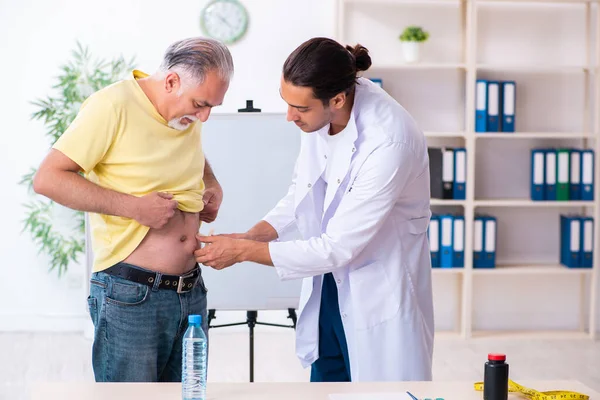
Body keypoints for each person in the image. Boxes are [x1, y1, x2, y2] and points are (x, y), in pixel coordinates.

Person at [194, 37, 435, 382]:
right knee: (326, 384)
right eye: (286, 103)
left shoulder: (389, 141)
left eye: (301, 109)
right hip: (329, 285)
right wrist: (251, 235)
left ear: (337, 99)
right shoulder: (320, 116)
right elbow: (301, 194)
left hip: (378, 289)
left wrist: (244, 251)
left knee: (380, 389)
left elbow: (339, 246)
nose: (290, 117)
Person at [32, 37, 234, 382]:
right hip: (133, 296)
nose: (205, 116)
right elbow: (48, 179)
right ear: (172, 81)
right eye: (201, 104)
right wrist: (133, 208)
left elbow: (192, 154)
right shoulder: (112, 106)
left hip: (190, 293)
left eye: (212, 106)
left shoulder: (184, 115)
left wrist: (210, 183)